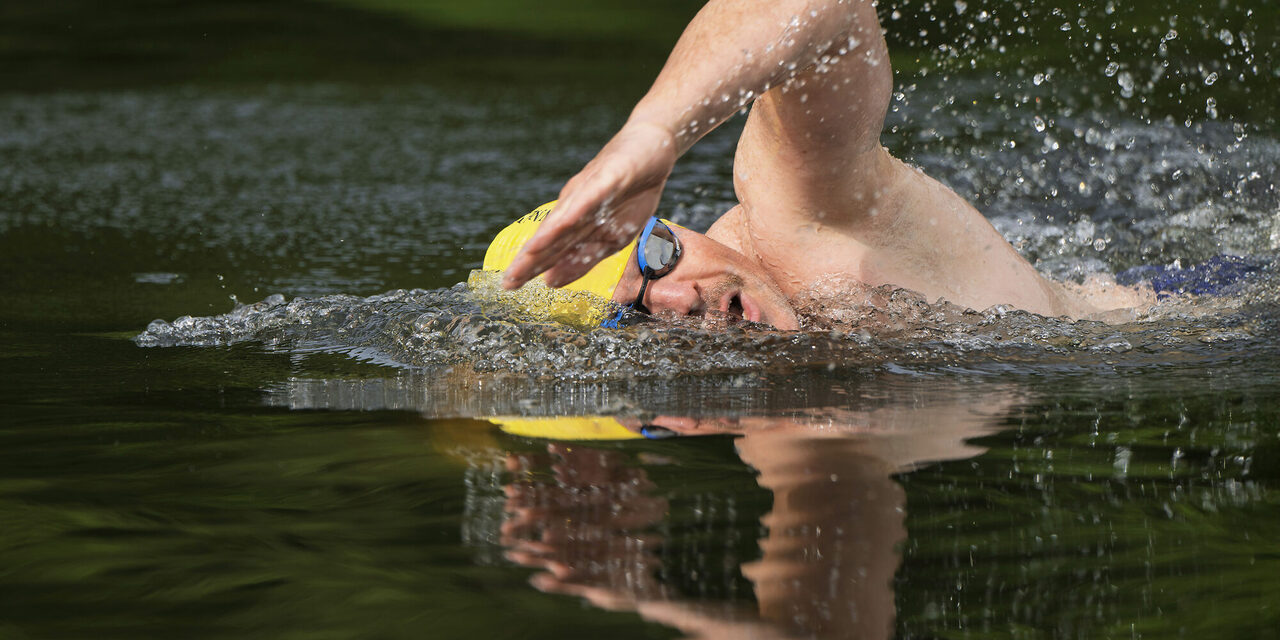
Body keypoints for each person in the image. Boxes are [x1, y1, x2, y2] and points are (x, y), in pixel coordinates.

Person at [485, 0, 1147, 330]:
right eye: (636, 315)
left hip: (1188, 306)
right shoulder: (780, 429)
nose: (682, 299)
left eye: (657, 258)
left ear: (674, 226)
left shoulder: (792, 212)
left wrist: (656, 132)